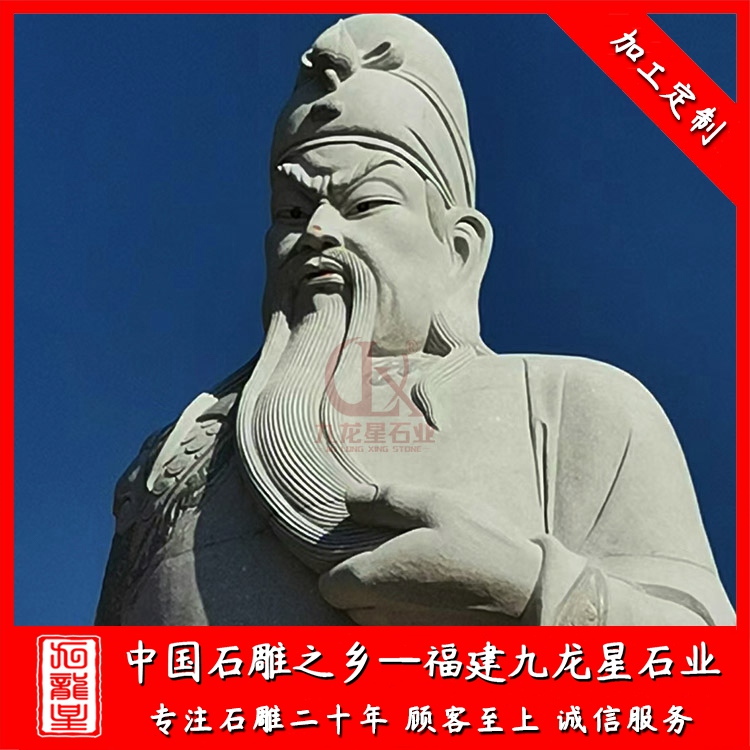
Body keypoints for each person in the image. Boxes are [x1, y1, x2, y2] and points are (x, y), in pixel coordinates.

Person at [97, 14, 734, 626]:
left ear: (457, 252)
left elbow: (709, 668)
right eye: (292, 211)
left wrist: (528, 587)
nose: (317, 231)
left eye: (365, 203)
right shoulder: (175, 457)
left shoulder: (574, 407)